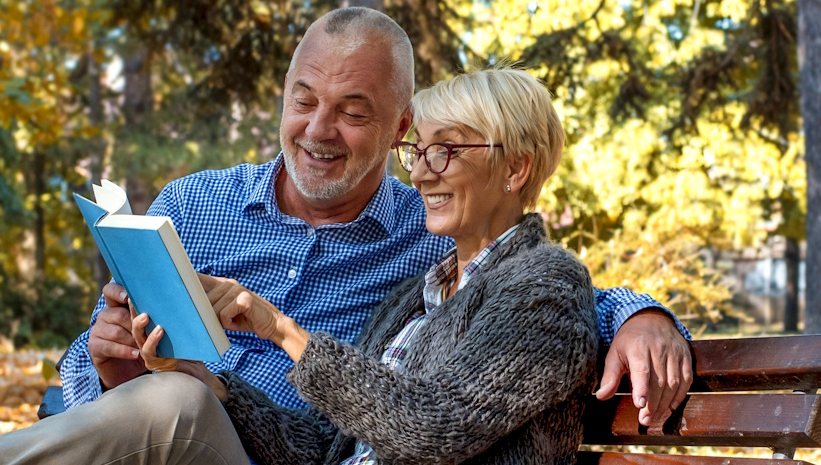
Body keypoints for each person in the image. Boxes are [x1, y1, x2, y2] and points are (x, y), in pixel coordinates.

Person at [59, 7, 691, 428]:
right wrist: (110, 367)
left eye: (353, 112)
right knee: (160, 402)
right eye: (303, 101)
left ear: (400, 128)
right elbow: (90, 366)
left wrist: (642, 315)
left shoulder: (431, 233)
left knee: (175, 405)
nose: (318, 130)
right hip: (145, 434)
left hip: (260, 448)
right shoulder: (191, 207)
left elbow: (545, 294)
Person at [131, 63, 606, 463]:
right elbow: (320, 449)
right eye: (418, 150)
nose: (420, 172)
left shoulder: (546, 286)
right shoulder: (417, 295)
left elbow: (430, 428)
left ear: (516, 168)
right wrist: (212, 385)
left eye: (443, 151)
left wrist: (280, 328)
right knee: (175, 401)